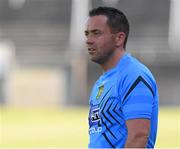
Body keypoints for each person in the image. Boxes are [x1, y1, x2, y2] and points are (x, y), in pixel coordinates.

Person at [84, 6, 159, 148]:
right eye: (87, 34)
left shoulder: (134, 75)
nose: (89, 40)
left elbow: (138, 137)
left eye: (96, 33)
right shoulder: (102, 82)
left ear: (119, 38)